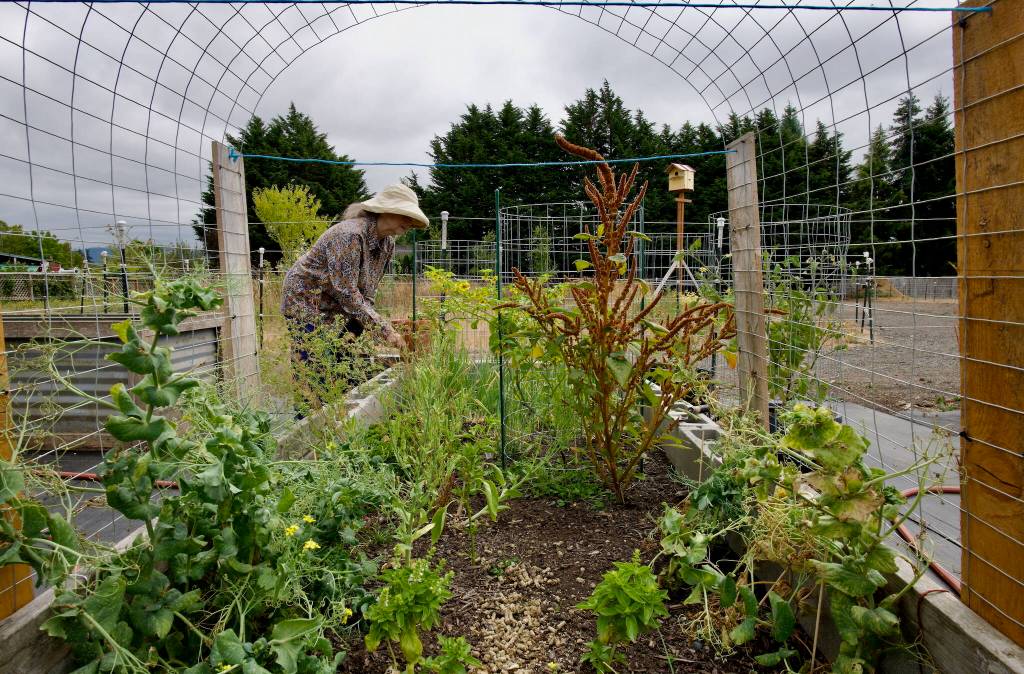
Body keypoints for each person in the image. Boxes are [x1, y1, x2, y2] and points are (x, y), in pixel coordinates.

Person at [280, 183, 428, 400]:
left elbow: (367, 292)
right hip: (306, 303)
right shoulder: (350, 235)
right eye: (405, 215)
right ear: (385, 210)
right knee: (313, 368)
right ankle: (307, 423)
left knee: (343, 365)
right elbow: (346, 292)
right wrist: (386, 332)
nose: (409, 223)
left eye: (412, 219)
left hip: (338, 307)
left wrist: (367, 326)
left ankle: (337, 416)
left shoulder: (387, 244)